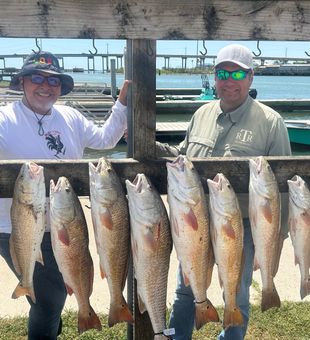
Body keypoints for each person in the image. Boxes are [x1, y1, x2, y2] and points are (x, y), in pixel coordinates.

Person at [156, 44, 292, 340]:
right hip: (197, 223)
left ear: (251, 78)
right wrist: (152, 147)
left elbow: (281, 189)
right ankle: (177, 336)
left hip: (240, 226)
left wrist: (275, 239)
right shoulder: (201, 113)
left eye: (237, 73)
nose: (229, 79)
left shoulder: (271, 123)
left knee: (236, 293)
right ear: (214, 77)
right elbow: (182, 154)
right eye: (222, 72)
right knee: (185, 289)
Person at [0, 51, 130, 339]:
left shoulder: (70, 116)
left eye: (53, 81)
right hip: (20, 230)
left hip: (68, 225)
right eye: (37, 78)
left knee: (55, 292)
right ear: (22, 82)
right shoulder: (5, 120)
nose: (45, 86)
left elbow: (105, 139)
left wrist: (122, 104)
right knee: (49, 300)